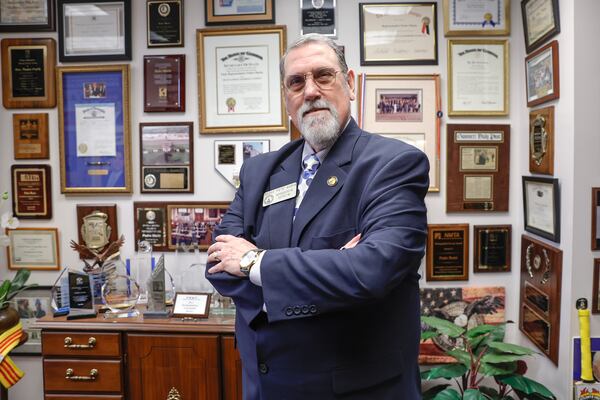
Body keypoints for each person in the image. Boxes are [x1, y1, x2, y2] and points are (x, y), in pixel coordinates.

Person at [206, 34, 429, 399]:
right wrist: (332, 271)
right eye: (296, 82)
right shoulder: (259, 171)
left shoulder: (393, 165)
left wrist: (251, 261)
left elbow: (373, 271)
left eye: (323, 76)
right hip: (265, 385)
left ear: (351, 84)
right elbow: (217, 262)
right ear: (286, 98)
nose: (310, 91)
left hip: (356, 389)